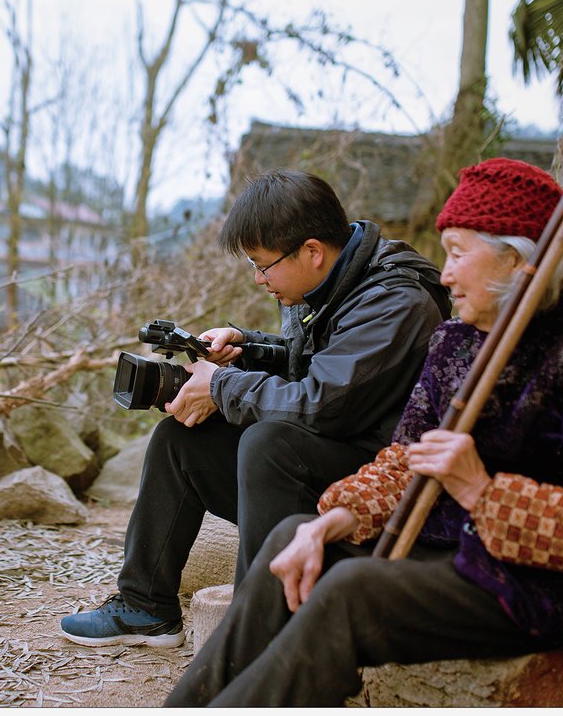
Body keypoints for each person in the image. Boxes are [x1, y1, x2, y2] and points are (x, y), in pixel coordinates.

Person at [164, 157, 563, 706]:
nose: (444, 274)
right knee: (291, 541)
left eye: (459, 253)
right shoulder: (459, 342)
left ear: (515, 260)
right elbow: (403, 459)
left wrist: (481, 492)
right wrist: (338, 518)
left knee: (349, 593)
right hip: (472, 553)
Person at [61, 169, 451, 648]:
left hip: (377, 489)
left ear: (311, 250)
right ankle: (145, 606)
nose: (258, 279)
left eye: (264, 266)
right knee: (180, 439)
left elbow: (322, 404)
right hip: (333, 457)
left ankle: (254, 633)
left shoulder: (396, 300)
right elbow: (317, 362)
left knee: (268, 442)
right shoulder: (332, 280)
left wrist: (222, 385)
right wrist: (246, 348)